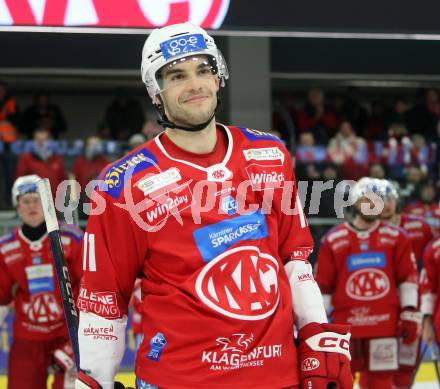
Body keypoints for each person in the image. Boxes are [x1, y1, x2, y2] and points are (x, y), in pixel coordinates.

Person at [75, 22, 352, 389]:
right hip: (180, 380)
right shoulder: (122, 184)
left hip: (275, 376)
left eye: (203, 70)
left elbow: (294, 261)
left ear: (218, 76)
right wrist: (94, 379)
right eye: (176, 76)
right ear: (155, 91)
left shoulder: (268, 154)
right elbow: (105, 297)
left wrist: (317, 334)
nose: (194, 85)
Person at [314, 177, 419, 389]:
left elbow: (408, 278)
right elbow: (323, 285)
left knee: (380, 384)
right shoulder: (333, 240)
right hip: (345, 328)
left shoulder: (398, 237)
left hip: (384, 326)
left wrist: (409, 312)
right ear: (355, 201)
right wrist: (320, 324)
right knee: (339, 381)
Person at [0, 175, 84, 389]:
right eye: (25, 201)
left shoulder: (71, 239)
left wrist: (80, 336)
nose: (31, 206)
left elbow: (89, 289)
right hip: (27, 337)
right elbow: (1, 298)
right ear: (17, 207)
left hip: (68, 335)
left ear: (47, 203)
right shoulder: (5, 247)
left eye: (37, 199)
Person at [379, 179, 432, 388]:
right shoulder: (368, 231)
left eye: (389, 198)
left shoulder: (419, 226)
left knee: (407, 363)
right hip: (383, 304)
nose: (386, 203)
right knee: (379, 366)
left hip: (414, 303)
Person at [15, 127, 66, 196]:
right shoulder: (26, 158)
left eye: (43, 140)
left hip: (54, 200)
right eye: (38, 140)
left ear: (50, 141)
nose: (40, 143)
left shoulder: (57, 159)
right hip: (35, 199)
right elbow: (21, 180)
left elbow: (62, 180)